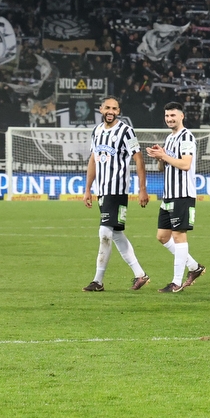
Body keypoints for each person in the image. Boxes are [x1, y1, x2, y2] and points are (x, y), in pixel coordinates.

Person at [81, 96, 151, 292]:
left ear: (118, 111)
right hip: (102, 191)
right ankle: (140, 274)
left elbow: (138, 159)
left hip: (118, 190)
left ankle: (98, 281)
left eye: (114, 108)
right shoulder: (96, 131)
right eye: (107, 108)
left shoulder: (126, 131)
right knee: (116, 234)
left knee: (104, 233)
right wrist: (88, 189)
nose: (110, 111)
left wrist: (142, 188)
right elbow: (93, 160)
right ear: (101, 109)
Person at [145, 102, 205, 293]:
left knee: (179, 236)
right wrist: (159, 157)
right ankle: (195, 267)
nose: (170, 119)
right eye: (167, 116)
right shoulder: (169, 138)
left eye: (173, 115)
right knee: (162, 237)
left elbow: (186, 164)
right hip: (168, 195)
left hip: (182, 195)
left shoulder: (186, 137)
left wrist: (164, 155)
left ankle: (176, 282)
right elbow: (165, 167)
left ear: (182, 116)